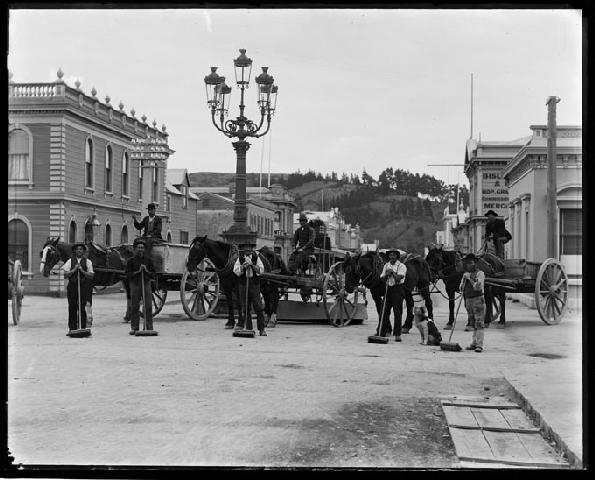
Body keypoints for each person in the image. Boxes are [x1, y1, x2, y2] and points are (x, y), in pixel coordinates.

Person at [233, 244, 267, 336]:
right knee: (245, 307)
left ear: (252, 250)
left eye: (249, 250)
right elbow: (236, 271)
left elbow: (261, 270)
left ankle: (262, 329)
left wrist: (252, 265)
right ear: (243, 251)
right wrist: (243, 267)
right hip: (243, 284)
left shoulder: (256, 258)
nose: (248, 251)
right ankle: (248, 328)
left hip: (254, 284)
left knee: (258, 307)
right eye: (246, 250)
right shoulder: (240, 259)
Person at [125, 238, 157, 335]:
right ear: (135, 249)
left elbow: (153, 274)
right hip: (135, 284)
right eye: (138, 247)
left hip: (146, 283)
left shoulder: (148, 260)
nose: (140, 249)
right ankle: (135, 328)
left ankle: (148, 326)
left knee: (148, 305)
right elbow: (127, 274)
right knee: (135, 306)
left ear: (144, 249)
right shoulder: (131, 261)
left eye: (142, 248)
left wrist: (147, 271)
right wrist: (137, 272)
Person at [63, 243, 94, 336]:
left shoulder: (88, 262)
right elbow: (65, 275)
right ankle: (72, 328)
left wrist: (83, 271)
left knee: (82, 307)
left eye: (81, 249)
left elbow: (91, 275)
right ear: (75, 251)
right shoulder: (69, 261)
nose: (79, 251)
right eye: (77, 249)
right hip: (73, 286)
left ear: (83, 251)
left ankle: (83, 327)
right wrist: (74, 269)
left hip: (83, 286)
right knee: (72, 307)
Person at [379, 248, 407, 342]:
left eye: (394, 255)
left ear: (397, 256)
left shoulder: (401, 266)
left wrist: (393, 273)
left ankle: (397, 334)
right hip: (388, 290)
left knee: (397, 312)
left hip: (398, 290)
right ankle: (382, 332)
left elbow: (399, 278)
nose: (392, 257)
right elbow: (382, 279)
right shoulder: (386, 265)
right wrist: (387, 274)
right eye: (390, 255)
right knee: (384, 311)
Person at [459, 253, 486, 353]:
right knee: (472, 322)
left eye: (470, 263)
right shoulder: (465, 274)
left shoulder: (480, 274)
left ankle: (479, 345)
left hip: (477, 299)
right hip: (468, 300)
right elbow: (461, 288)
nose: (468, 265)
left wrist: (469, 278)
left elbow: (477, 287)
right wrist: (463, 282)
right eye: (467, 263)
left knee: (479, 322)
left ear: (474, 263)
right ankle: (474, 343)